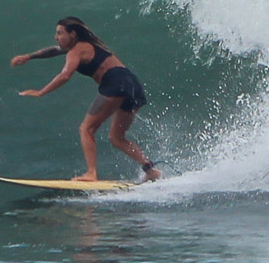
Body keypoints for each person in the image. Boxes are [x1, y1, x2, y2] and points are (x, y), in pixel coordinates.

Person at [10, 16, 161, 182]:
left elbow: (65, 75)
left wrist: (41, 92)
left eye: (59, 33)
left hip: (115, 83)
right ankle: (151, 170)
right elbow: (54, 50)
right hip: (133, 84)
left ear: (72, 34)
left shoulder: (76, 51)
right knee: (117, 138)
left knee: (86, 129)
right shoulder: (87, 45)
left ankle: (91, 173)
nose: (56, 37)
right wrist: (29, 56)